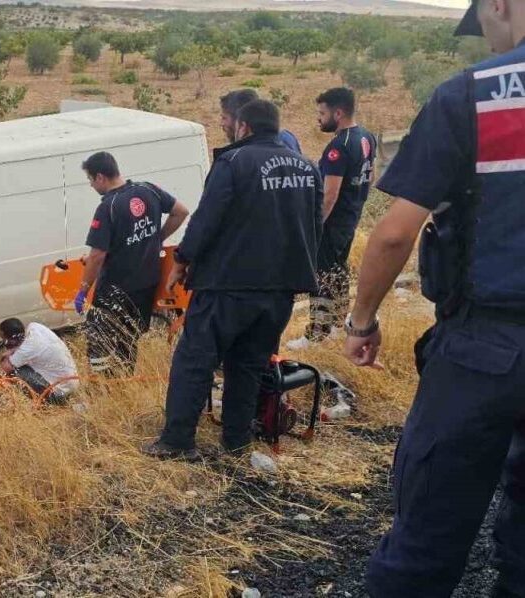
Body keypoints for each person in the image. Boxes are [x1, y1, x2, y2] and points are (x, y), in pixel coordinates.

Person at [343, 2, 525, 595]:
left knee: (427, 534)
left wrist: (362, 320)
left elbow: (395, 231)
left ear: (499, 4)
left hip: (484, 346)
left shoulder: (475, 94)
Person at [142, 100, 323, 461]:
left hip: (228, 284)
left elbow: (208, 218)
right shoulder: (308, 168)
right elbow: (314, 224)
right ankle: (236, 440)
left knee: (195, 359)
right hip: (280, 289)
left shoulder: (234, 162)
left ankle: (177, 441)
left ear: (244, 127)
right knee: (250, 364)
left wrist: (183, 260)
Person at [75, 151, 190, 376]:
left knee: (100, 344)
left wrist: (83, 290)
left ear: (100, 177)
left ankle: (105, 389)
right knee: (129, 341)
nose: (90, 185)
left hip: (116, 290)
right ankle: (125, 382)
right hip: (146, 285)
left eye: (90, 179)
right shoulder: (148, 190)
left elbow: (98, 255)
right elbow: (181, 212)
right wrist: (157, 238)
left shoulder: (108, 206)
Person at [288, 88, 377, 349]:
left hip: (333, 222)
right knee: (339, 270)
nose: (318, 118)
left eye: (322, 113)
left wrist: (316, 226)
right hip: (350, 219)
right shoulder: (367, 137)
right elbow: (370, 178)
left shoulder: (339, 146)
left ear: (338, 113)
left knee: (322, 275)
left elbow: (330, 194)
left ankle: (317, 333)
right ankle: (339, 324)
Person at [0, 318, 79, 405]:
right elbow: (28, 347)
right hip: (71, 384)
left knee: (15, 372)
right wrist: (14, 349)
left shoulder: (26, 350)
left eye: (4, 339)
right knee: (20, 364)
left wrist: (7, 353)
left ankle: (47, 403)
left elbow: (5, 367)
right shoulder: (35, 327)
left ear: (12, 339)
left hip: (60, 393)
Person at [219, 89, 302, 155]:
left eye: (224, 118)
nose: (221, 124)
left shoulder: (282, 140)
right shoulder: (285, 137)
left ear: (239, 120)